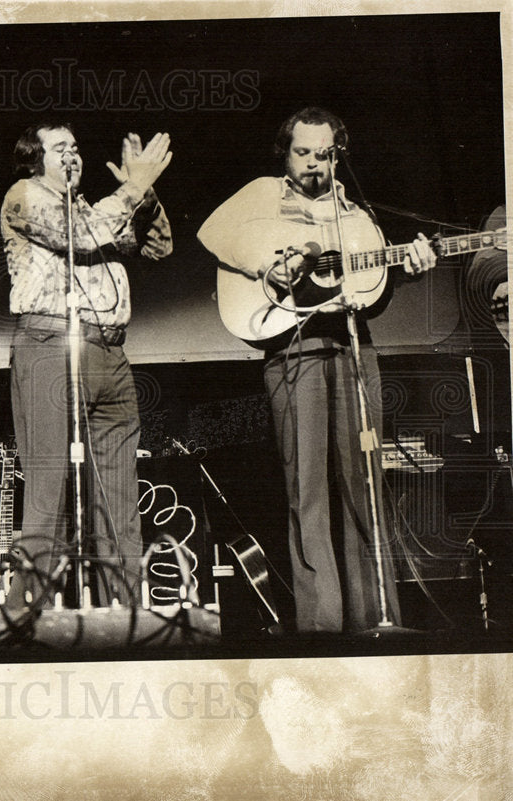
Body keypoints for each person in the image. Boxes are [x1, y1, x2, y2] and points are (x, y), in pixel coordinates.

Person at [197, 107, 436, 633]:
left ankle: (377, 620)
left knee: (365, 485)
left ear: (338, 155)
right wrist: (267, 263)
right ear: (286, 153)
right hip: (294, 348)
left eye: (323, 154)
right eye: (302, 152)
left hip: (354, 351)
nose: (313, 164)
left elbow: (370, 286)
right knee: (307, 493)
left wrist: (409, 270)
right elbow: (212, 231)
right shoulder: (262, 194)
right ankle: (322, 628)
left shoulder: (355, 211)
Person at [0, 123, 173, 612]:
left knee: (119, 499)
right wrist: (132, 188)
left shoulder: (99, 210)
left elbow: (159, 247)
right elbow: (82, 236)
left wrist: (148, 189)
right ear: (35, 159)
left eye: (77, 146)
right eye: (60, 148)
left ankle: (129, 615)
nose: (74, 155)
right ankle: (26, 617)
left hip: (109, 352)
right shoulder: (24, 195)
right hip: (52, 344)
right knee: (49, 491)